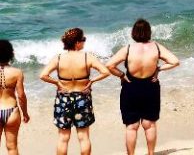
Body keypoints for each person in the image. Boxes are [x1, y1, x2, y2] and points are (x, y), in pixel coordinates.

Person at [106, 19, 180, 155]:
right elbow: (175, 61)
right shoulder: (157, 47)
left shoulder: (128, 49)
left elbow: (109, 65)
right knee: (149, 124)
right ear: (149, 32)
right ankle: (150, 153)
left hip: (131, 87)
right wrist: (158, 69)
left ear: (133, 33)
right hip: (150, 87)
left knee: (131, 127)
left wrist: (122, 75)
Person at [39, 28, 110, 155]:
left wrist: (57, 82)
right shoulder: (87, 57)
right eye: (83, 40)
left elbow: (43, 75)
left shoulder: (59, 58)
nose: (84, 42)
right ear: (77, 42)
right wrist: (92, 81)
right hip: (82, 98)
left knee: (63, 138)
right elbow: (105, 72)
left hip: (63, 99)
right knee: (83, 137)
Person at [0, 40, 29, 155]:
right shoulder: (17, 72)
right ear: (10, 54)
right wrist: (25, 113)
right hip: (12, 111)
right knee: (12, 147)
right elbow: (21, 95)